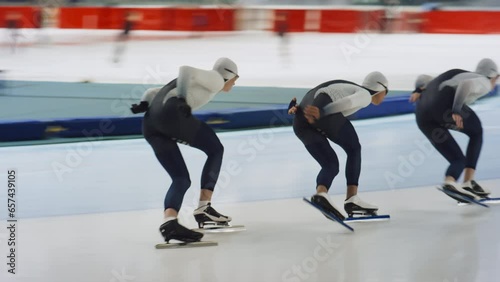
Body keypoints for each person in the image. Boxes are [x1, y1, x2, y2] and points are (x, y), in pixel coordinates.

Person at [130, 58, 239, 243]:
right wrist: (181, 98)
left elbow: (153, 92)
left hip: (150, 124)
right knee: (215, 149)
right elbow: (186, 69)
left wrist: (143, 103)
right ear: (229, 75)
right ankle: (204, 207)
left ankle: (170, 223)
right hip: (172, 116)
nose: (234, 83)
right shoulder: (216, 79)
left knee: (181, 179)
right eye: (235, 79)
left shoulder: (196, 83)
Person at [288, 72, 389, 219]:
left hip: (300, 122)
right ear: (381, 88)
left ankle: (321, 195)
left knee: (330, 164)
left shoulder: (346, 86)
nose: (385, 96)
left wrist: (300, 108)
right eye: (386, 92)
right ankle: (352, 199)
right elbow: (348, 103)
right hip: (321, 111)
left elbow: (315, 95)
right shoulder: (365, 95)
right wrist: (322, 112)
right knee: (354, 148)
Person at [413, 58, 499, 202]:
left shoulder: (460, 75)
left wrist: (416, 89)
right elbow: (466, 85)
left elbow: (423, 79)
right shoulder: (482, 81)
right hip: (443, 107)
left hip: (421, 115)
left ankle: (450, 182)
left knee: (458, 159)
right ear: (493, 75)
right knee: (476, 131)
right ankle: (468, 182)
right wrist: (457, 110)